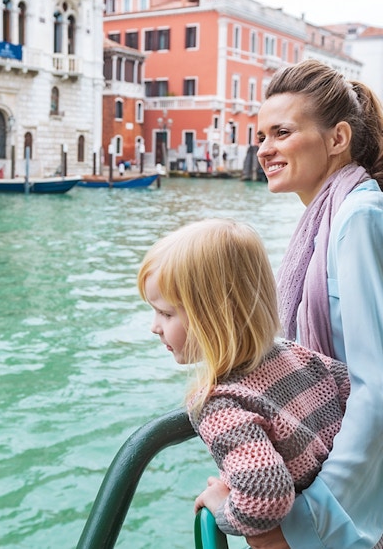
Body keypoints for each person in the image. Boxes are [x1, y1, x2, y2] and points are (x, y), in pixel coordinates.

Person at [137, 218, 350, 539]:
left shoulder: (219, 403)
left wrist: (223, 509)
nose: (155, 326)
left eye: (166, 313)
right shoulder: (292, 353)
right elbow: (350, 390)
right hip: (359, 523)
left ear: (213, 316)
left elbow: (266, 496)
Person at [253, 58, 383, 549]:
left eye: (281, 132)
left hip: (352, 505)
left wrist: (315, 513)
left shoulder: (357, 216)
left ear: (337, 139)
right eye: (260, 136)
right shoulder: (329, 217)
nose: (265, 149)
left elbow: (376, 387)